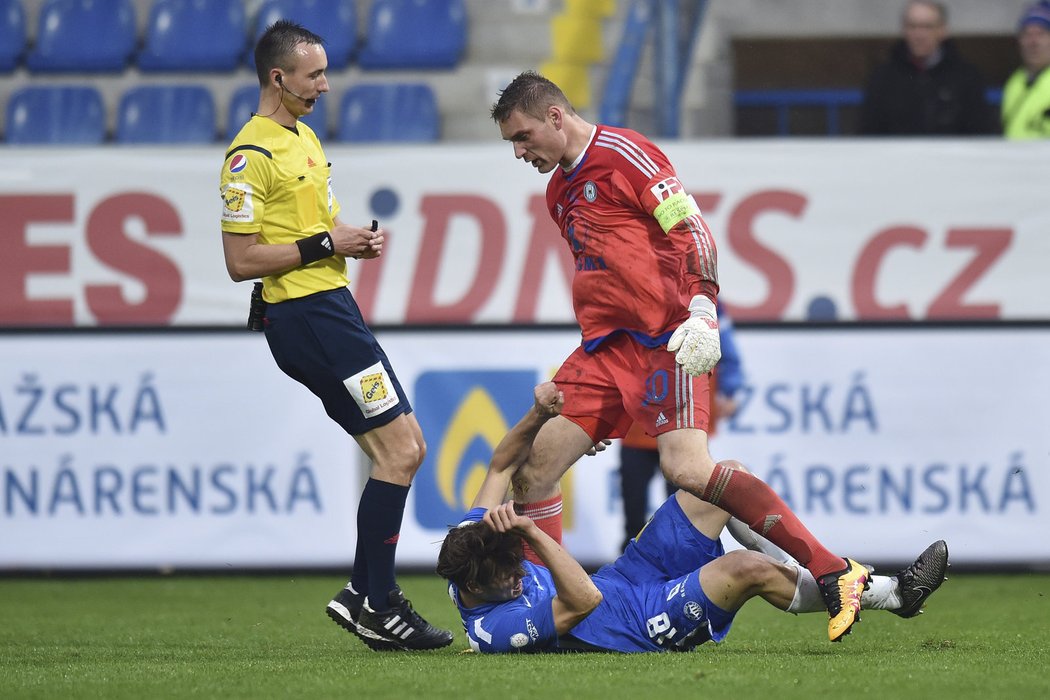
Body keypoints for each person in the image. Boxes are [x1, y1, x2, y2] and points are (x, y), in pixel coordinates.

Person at [474, 70, 869, 643]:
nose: (519, 151)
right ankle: (551, 611)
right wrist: (604, 409)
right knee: (533, 469)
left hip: (665, 341)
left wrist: (703, 309)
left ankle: (835, 570)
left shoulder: (627, 154)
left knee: (686, 470)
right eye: (512, 142)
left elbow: (693, 232)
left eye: (524, 136)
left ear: (556, 118)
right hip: (602, 352)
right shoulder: (559, 191)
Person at [218, 20, 451, 652]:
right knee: (401, 451)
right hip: (308, 319)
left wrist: (349, 239)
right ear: (278, 78)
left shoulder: (304, 139)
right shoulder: (249, 156)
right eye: (314, 74)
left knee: (400, 450)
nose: (324, 85)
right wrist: (327, 243)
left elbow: (315, 225)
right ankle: (378, 602)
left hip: (330, 310)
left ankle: (363, 595)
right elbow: (240, 261)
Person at [440, 383, 949, 654]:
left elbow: (501, 463)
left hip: (625, 580)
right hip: (635, 625)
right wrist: (530, 531)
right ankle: (897, 593)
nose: (516, 578)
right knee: (746, 568)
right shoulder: (497, 628)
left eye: (514, 567)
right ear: (474, 588)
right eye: (508, 577)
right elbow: (584, 599)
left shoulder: (474, 545)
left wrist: (538, 414)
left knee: (726, 479)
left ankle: (829, 574)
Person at [619, 301, 745, 552]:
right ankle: (631, 557)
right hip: (642, 417)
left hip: (681, 414)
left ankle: (680, 554)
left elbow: (726, 346)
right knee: (635, 496)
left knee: (683, 494)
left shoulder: (705, 300)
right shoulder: (630, 297)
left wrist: (730, 387)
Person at [859, 1, 993, 135]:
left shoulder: (966, 76)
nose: (919, 35)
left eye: (927, 27)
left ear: (942, 30)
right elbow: (868, 132)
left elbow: (980, 132)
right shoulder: (883, 77)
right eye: (912, 26)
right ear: (904, 30)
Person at [1002, 1, 1050, 138]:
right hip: (1014, 157)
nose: (1033, 42)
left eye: (1041, 34)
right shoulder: (1015, 81)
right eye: (1027, 34)